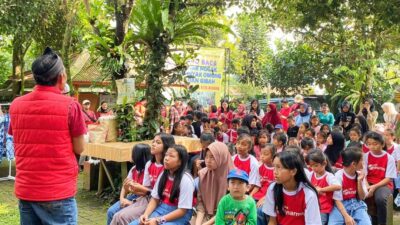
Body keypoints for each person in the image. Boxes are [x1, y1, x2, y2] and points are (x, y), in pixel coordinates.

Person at [9, 47, 86, 224]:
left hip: (27, 189)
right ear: (61, 77)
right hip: (57, 190)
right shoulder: (70, 106)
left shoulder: (16, 105)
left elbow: (21, 139)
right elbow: (80, 147)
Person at [111, 133, 175, 225]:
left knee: (121, 217)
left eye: (158, 142)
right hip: (147, 199)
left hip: (159, 202)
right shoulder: (149, 164)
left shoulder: (167, 167)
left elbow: (159, 194)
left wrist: (139, 189)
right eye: (153, 142)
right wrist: (132, 188)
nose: (153, 144)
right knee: (117, 215)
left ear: (166, 146)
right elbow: (145, 191)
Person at [130, 145, 195, 225]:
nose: (166, 158)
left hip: (179, 216)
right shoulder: (163, 174)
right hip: (161, 209)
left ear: (180, 162)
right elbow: (155, 199)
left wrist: (158, 220)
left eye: (171, 156)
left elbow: (182, 210)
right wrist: (146, 215)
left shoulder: (186, 180)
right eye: (166, 155)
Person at [262, 151, 322, 225]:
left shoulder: (309, 195)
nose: (275, 172)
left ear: (293, 171)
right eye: (274, 167)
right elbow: (272, 221)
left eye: (279, 167)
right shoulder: (273, 189)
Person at [107, 144, 151, 225]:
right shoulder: (133, 169)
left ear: (138, 156)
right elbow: (125, 185)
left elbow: (146, 193)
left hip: (142, 200)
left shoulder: (148, 172)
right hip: (132, 197)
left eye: (132, 153)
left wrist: (131, 203)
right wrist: (122, 199)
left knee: (120, 216)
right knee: (110, 211)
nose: (130, 155)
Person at [328, 147, 371, 225]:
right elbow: (337, 199)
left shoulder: (360, 174)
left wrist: (359, 181)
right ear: (354, 164)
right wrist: (346, 216)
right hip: (340, 205)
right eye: (361, 160)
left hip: (357, 204)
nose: (363, 162)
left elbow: (362, 197)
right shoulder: (339, 176)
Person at [196, 142, 234, 225]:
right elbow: (200, 203)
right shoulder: (203, 174)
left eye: (212, 157)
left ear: (222, 157)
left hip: (228, 215)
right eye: (206, 156)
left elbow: (228, 208)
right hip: (206, 215)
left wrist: (207, 224)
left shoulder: (234, 178)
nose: (208, 161)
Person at [363, 131, 397, 225]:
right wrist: (367, 187)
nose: (372, 147)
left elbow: (388, 178)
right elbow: (364, 174)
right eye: (369, 144)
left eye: (375, 144)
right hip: (368, 183)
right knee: (361, 196)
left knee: (380, 199)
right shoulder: (365, 156)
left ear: (382, 144)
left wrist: (373, 187)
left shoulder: (389, 158)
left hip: (384, 184)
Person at [306, 150, 341, 225]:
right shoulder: (311, 174)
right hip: (313, 206)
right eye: (311, 166)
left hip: (323, 208)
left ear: (324, 163)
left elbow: (338, 186)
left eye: (315, 165)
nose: (313, 168)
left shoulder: (328, 176)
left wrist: (321, 189)